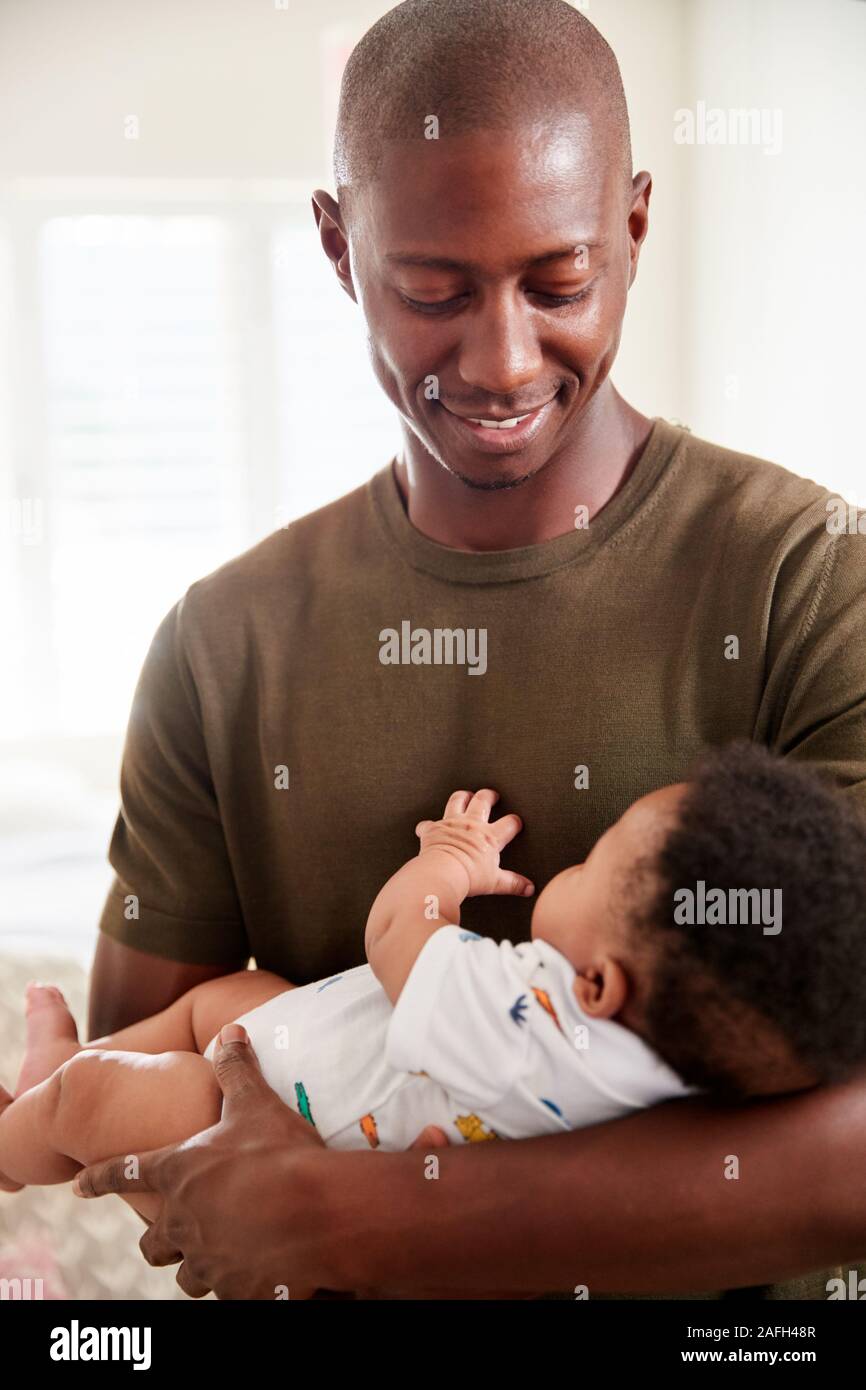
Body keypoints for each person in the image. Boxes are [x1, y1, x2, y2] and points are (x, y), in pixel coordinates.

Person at [67, 0, 866, 1298]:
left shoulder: (810, 578)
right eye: (432, 290)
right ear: (336, 246)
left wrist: (382, 1219)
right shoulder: (219, 644)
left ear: (636, 227)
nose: (500, 360)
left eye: (559, 281)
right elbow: (142, 1078)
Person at [3, 744, 864, 1244]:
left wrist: (447, 865)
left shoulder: (533, 1018)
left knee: (96, 1096)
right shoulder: (666, 1074)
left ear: (597, 985)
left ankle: (26, 1130)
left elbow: (395, 936)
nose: (573, 865)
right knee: (227, 1002)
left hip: (247, 1129)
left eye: (590, 863)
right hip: (305, 1065)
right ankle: (64, 1072)